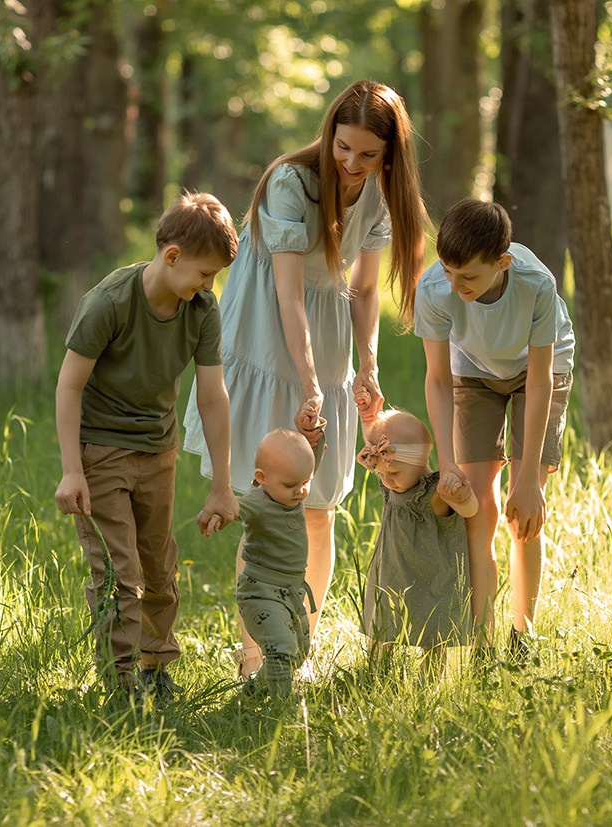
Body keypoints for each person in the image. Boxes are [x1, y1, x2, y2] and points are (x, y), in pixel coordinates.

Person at [182, 80, 429, 678]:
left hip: (328, 333)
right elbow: (288, 297)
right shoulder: (290, 183)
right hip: (272, 336)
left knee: (317, 508)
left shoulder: (376, 196)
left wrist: (366, 365)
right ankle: (255, 651)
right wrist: (310, 382)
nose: (351, 163)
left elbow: (365, 289)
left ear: (388, 156)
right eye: (343, 147)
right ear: (330, 135)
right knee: (268, 504)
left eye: (368, 154)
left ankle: (296, 651)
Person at [54, 192, 240, 705]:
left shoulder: (200, 309)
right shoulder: (110, 302)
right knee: (119, 573)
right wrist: (73, 471)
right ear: (173, 256)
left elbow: (212, 396)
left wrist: (221, 487)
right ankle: (119, 684)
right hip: (101, 452)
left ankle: (157, 671)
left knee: (159, 568)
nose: (209, 285)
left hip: (158, 453)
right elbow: (68, 387)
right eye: (205, 273)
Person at [414, 199, 575, 660]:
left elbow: (541, 377)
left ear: (502, 263)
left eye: (468, 277)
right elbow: (438, 378)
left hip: (538, 371)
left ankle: (522, 634)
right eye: (448, 271)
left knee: (523, 514)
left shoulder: (535, 285)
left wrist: (528, 481)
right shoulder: (435, 289)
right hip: (473, 371)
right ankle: (482, 638)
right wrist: (446, 460)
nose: (455, 284)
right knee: (478, 505)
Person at [354, 392, 476, 673]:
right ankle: (377, 670)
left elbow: (470, 511)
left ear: (419, 463)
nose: (386, 480)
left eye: (393, 473)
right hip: (393, 571)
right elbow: (374, 443)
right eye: (381, 472)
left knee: (433, 632)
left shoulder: (434, 492)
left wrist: (463, 496)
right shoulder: (392, 478)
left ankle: (430, 674)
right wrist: (366, 415)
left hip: (431, 575)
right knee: (384, 622)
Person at [231, 429, 323, 697]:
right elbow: (235, 508)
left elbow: (308, 459)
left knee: (297, 652)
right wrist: (217, 512)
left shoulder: (291, 487)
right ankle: (282, 710)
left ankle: (253, 693)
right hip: (260, 591)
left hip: (291, 593)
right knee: (281, 648)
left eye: (306, 481)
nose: (302, 490)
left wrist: (318, 430)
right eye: (292, 485)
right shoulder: (257, 502)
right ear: (262, 478)